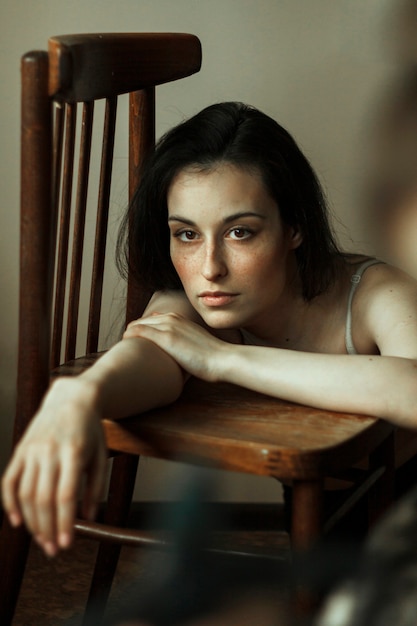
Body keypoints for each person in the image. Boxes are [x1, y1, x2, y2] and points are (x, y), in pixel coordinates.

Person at [2, 102, 417, 559]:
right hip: (329, 522)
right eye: (187, 234)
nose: (210, 268)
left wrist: (222, 360)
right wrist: (79, 395)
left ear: (293, 226)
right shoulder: (194, 300)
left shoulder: (376, 293)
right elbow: (143, 357)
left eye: (240, 233)